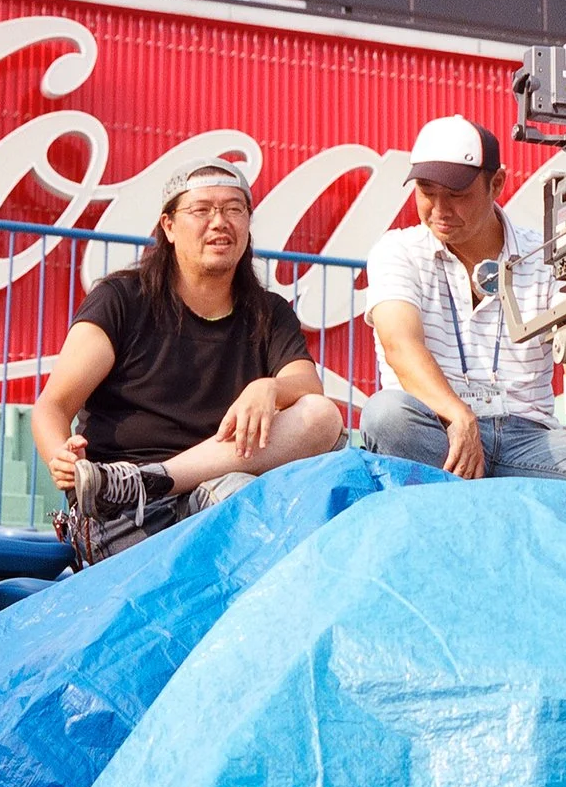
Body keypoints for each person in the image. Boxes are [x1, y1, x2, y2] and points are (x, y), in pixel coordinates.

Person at [33, 159, 347, 561]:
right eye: (202, 210)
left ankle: (153, 479)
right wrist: (63, 461)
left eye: (234, 209)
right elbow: (52, 405)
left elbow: (308, 388)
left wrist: (269, 386)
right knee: (245, 506)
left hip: (217, 491)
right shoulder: (121, 299)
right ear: (168, 226)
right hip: (122, 512)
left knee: (321, 417)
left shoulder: (269, 313)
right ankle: (141, 483)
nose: (220, 222)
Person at [360, 117, 566, 480]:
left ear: (497, 184)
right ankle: (477, 490)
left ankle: (464, 488)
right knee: (385, 415)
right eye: (426, 192)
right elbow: (399, 345)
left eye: (457, 194)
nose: (439, 209)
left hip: (528, 440)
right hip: (440, 428)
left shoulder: (544, 255)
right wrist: (459, 416)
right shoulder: (397, 249)